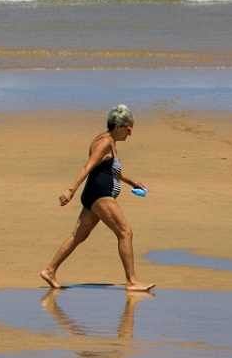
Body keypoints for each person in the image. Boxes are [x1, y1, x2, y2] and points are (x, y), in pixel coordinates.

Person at [40, 105, 155, 292]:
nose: (130, 133)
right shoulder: (104, 143)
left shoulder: (107, 141)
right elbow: (88, 167)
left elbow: (109, 170)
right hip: (100, 195)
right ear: (119, 126)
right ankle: (132, 281)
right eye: (129, 128)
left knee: (78, 236)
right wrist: (70, 190)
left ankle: (49, 270)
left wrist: (131, 181)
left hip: (93, 194)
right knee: (125, 232)